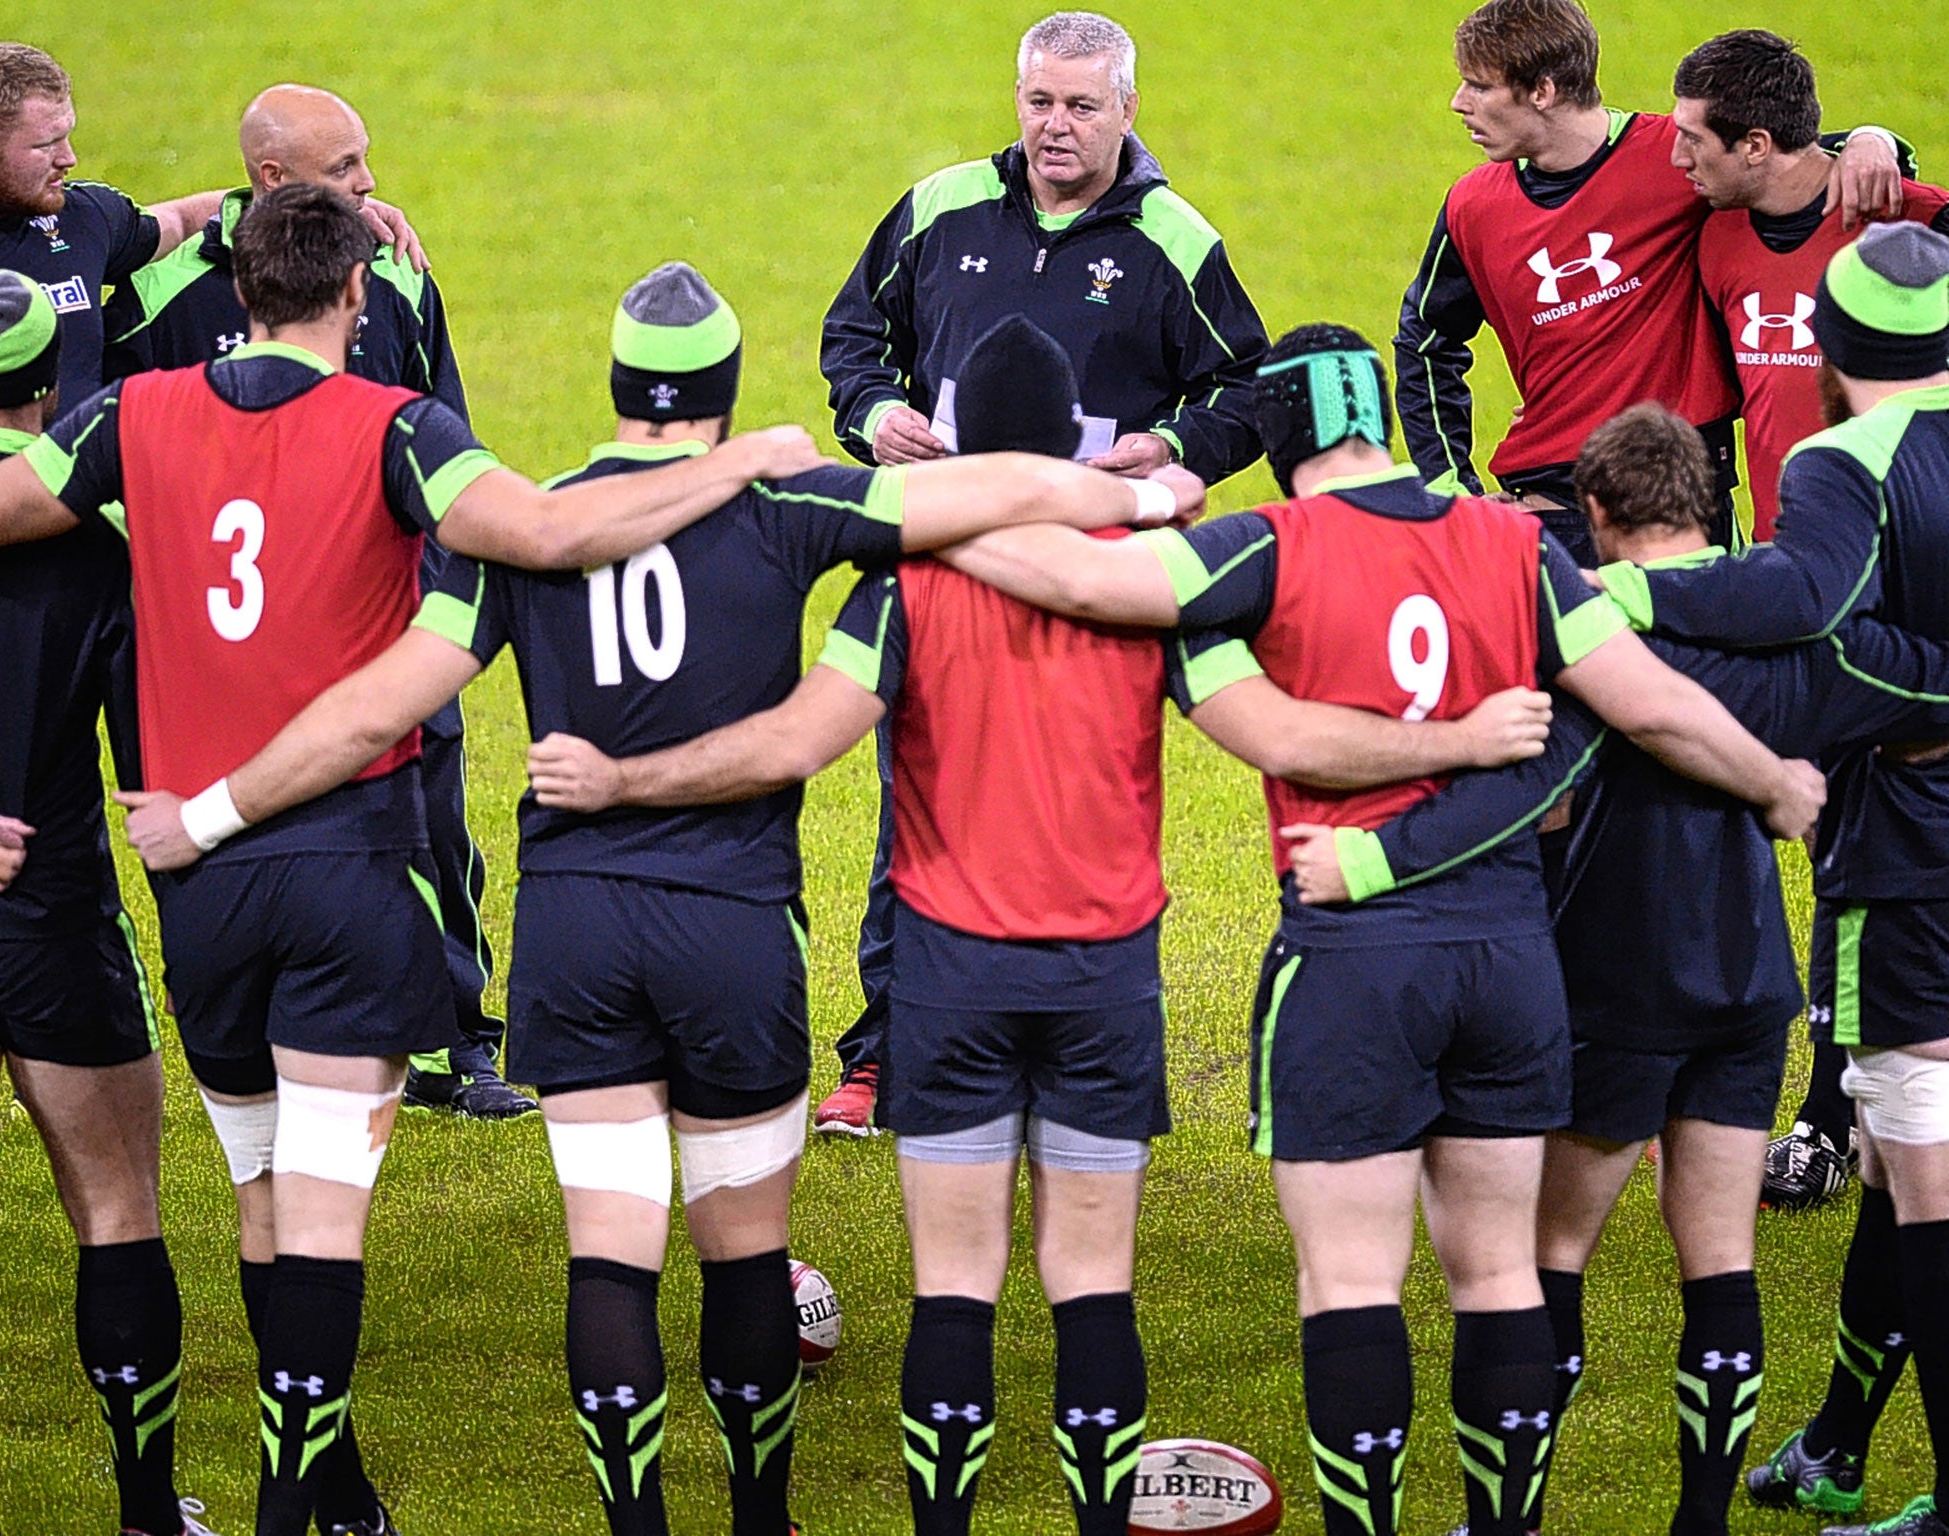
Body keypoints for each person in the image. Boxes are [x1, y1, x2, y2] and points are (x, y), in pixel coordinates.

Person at [95, 266, 1250, 1536]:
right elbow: (992, 489)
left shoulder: (524, 525)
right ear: (722, 388)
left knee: (611, 1252)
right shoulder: (784, 501)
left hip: (575, 934)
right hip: (734, 930)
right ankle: (760, 1516)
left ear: (613, 385)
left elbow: (381, 701)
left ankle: (636, 1524)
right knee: (742, 1248)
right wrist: (1142, 492)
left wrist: (210, 810)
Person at [511, 314, 1566, 1536]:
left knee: (952, 1292)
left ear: (957, 444)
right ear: (1073, 437)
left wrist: (621, 779)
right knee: (1092, 1290)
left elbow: (804, 737)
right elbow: (1267, 732)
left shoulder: (901, 586)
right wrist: (1448, 751)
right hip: (1104, 975)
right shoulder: (1142, 590)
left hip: (947, 975)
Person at [0, 186, 831, 1536]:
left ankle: (323, 1489)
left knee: (261, 1192)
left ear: (237, 292)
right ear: (352, 297)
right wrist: (741, 463)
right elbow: (559, 534)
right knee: (324, 1204)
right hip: (347, 862)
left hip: (197, 882)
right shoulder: (403, 428)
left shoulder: (131, 412)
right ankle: (298, 1504)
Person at [893, 324, 1822, 1536]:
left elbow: (1071, 576)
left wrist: (900, 513)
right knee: (1496, 1273)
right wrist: (1773, 783)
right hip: (1507, 966)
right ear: (1376, 417)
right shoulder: (1515, 545)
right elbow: (1651, 705)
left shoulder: (1263, 546)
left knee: (1349, 1282)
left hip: (1350, 964)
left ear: (1277, 438)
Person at [1281, 403, 1949, 1536]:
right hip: (1749, 984)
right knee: (1719, 1259)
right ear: (1704, 504)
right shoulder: (1789, 635)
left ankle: (1511, 1518)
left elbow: (1528, 799)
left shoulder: (1583, 636)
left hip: (1615, 982)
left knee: (1542, 1258)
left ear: (1591, 514)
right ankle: (1699, 1525)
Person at [815, 8, 1271, 1132]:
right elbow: (851, 341)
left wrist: (1170, 446)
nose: (1053, 127)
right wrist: (873, 415)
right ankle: (885, 1057)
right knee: (915, 804)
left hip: (1091, 578)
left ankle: (1078, 1061)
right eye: (1037, 101)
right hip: (944, 555)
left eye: (1079, 106)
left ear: (1125, 110)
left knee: (1084, 811)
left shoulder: (1172, 241)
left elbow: (1245, 390)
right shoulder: (938, 209)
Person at [1597, 223, 1949, 1536]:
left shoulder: (1837, 461)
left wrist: (1623, 601)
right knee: (1892, 1162)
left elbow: (1807, 610)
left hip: (1910, 858)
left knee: (1920, 1171)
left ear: (1834, 356)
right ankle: (1840, 1447)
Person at [101, 81, 526, 1121]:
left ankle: (457, 1041)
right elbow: (107, 456)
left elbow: (443, 427)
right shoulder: (157, 300)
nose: (370, 185)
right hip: (231, 633)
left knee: (430, 823)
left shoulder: (392, 273)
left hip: (382, 618)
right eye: (344, 170)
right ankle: (240, 1035)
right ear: (271, 179)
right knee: (228, 821)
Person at [0, 270, 211, 1536]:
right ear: (49, 388)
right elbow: (151, 773)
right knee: (118, 1209)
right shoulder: (97, 544)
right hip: (55, 924)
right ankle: (147, 1512)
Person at [1670, 27, 1949, 1211]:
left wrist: (1879, 145)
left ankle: (1837, 1119)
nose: (1670, 154)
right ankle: (1848, 1109)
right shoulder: (1710, 231)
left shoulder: (1901, 214)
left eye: (1693, 137)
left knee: (1869, 854)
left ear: (1757, 142)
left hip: (1907, 572)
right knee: (1847, 850)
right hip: (1805, 577)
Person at [1392, 0, 1902, 562]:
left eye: (1478, 86)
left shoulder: (1682, 161)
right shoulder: (1473, 206)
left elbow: (1786, 160)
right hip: (1553, 505)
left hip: (1681, 503)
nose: (1458, 103)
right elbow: (1425, 344)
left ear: (1542, 91)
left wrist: (1873, 141)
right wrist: (1449, 494)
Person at [0, 43, 423, 435]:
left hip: (75, 548)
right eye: (46, 144)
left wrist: (319, 203)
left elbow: (176, 220)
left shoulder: (82, 218)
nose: (70, 158)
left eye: (68, 134)